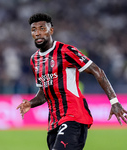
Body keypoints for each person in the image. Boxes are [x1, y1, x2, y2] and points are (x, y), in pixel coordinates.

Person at [16, 13, 127, 150]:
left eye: (42, 28)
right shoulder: (34, 60)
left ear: (51, 30)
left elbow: (97, 71)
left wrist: (114, 101)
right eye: (34, 30)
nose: (38, 33)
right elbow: (44, 92)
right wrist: (31, 103)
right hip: (54, 122)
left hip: (74, 116)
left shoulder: (66, 51)